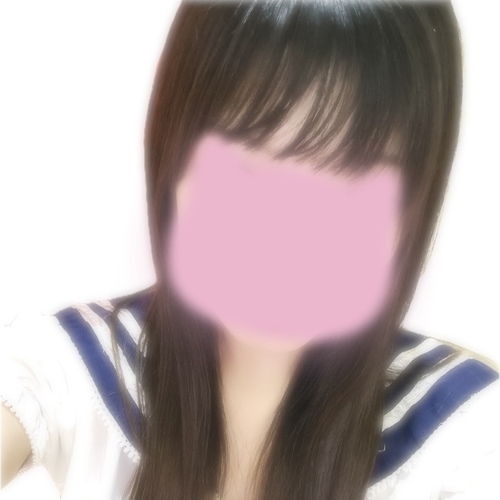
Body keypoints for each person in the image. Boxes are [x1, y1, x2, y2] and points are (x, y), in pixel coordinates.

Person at [1, 1, 499, 499]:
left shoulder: (460, 430)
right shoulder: (76, 368)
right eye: (248, 167)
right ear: (173, 156)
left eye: (354, 177)